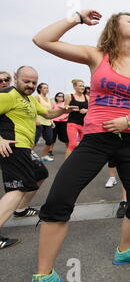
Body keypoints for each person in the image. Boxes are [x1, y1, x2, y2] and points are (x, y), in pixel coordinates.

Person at [31, 9, 130, 282]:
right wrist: (76, 18)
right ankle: (44, 276)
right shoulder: (97, 56)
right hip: (95, 139)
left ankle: (125, 250)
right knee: (59, 199)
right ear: (114, 28)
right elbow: (42, 39)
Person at [0, 66, 76, 250]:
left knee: (40, 173)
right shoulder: (7, 95)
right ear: (16, 77)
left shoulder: (29, 99)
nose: (31, 85)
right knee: (16, 189)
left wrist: (63, 110)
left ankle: (21, 210)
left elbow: (47, 114)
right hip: (12, 146)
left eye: (34, 82)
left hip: (25, 147)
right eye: (26, 81)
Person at [64, 79, 88, 159]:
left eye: (83, 86)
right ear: (75, 87)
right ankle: (65, 166)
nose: (82, 87)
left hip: (84, 124)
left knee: (84, 145)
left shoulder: (87, 97)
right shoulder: (70, 96)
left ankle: (79, 163)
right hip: (72, 123)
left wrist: (86, 110)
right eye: (80, 86)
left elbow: (93, 110)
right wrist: (68, 108)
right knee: (73, 144)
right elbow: (64, 109)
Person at [34, 83, 55, 162]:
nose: (46, 89)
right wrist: (36, 120)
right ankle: (26, 156)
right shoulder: (37, 97)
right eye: (44, 88)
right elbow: (34, 109)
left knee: (49, 140)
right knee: (34, 141)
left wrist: (51, 121)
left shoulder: (48, 99)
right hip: (39, 122)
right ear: (40, 89)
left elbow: (49, 111)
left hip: (47, 122)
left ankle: (44, 156)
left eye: (47, 88)